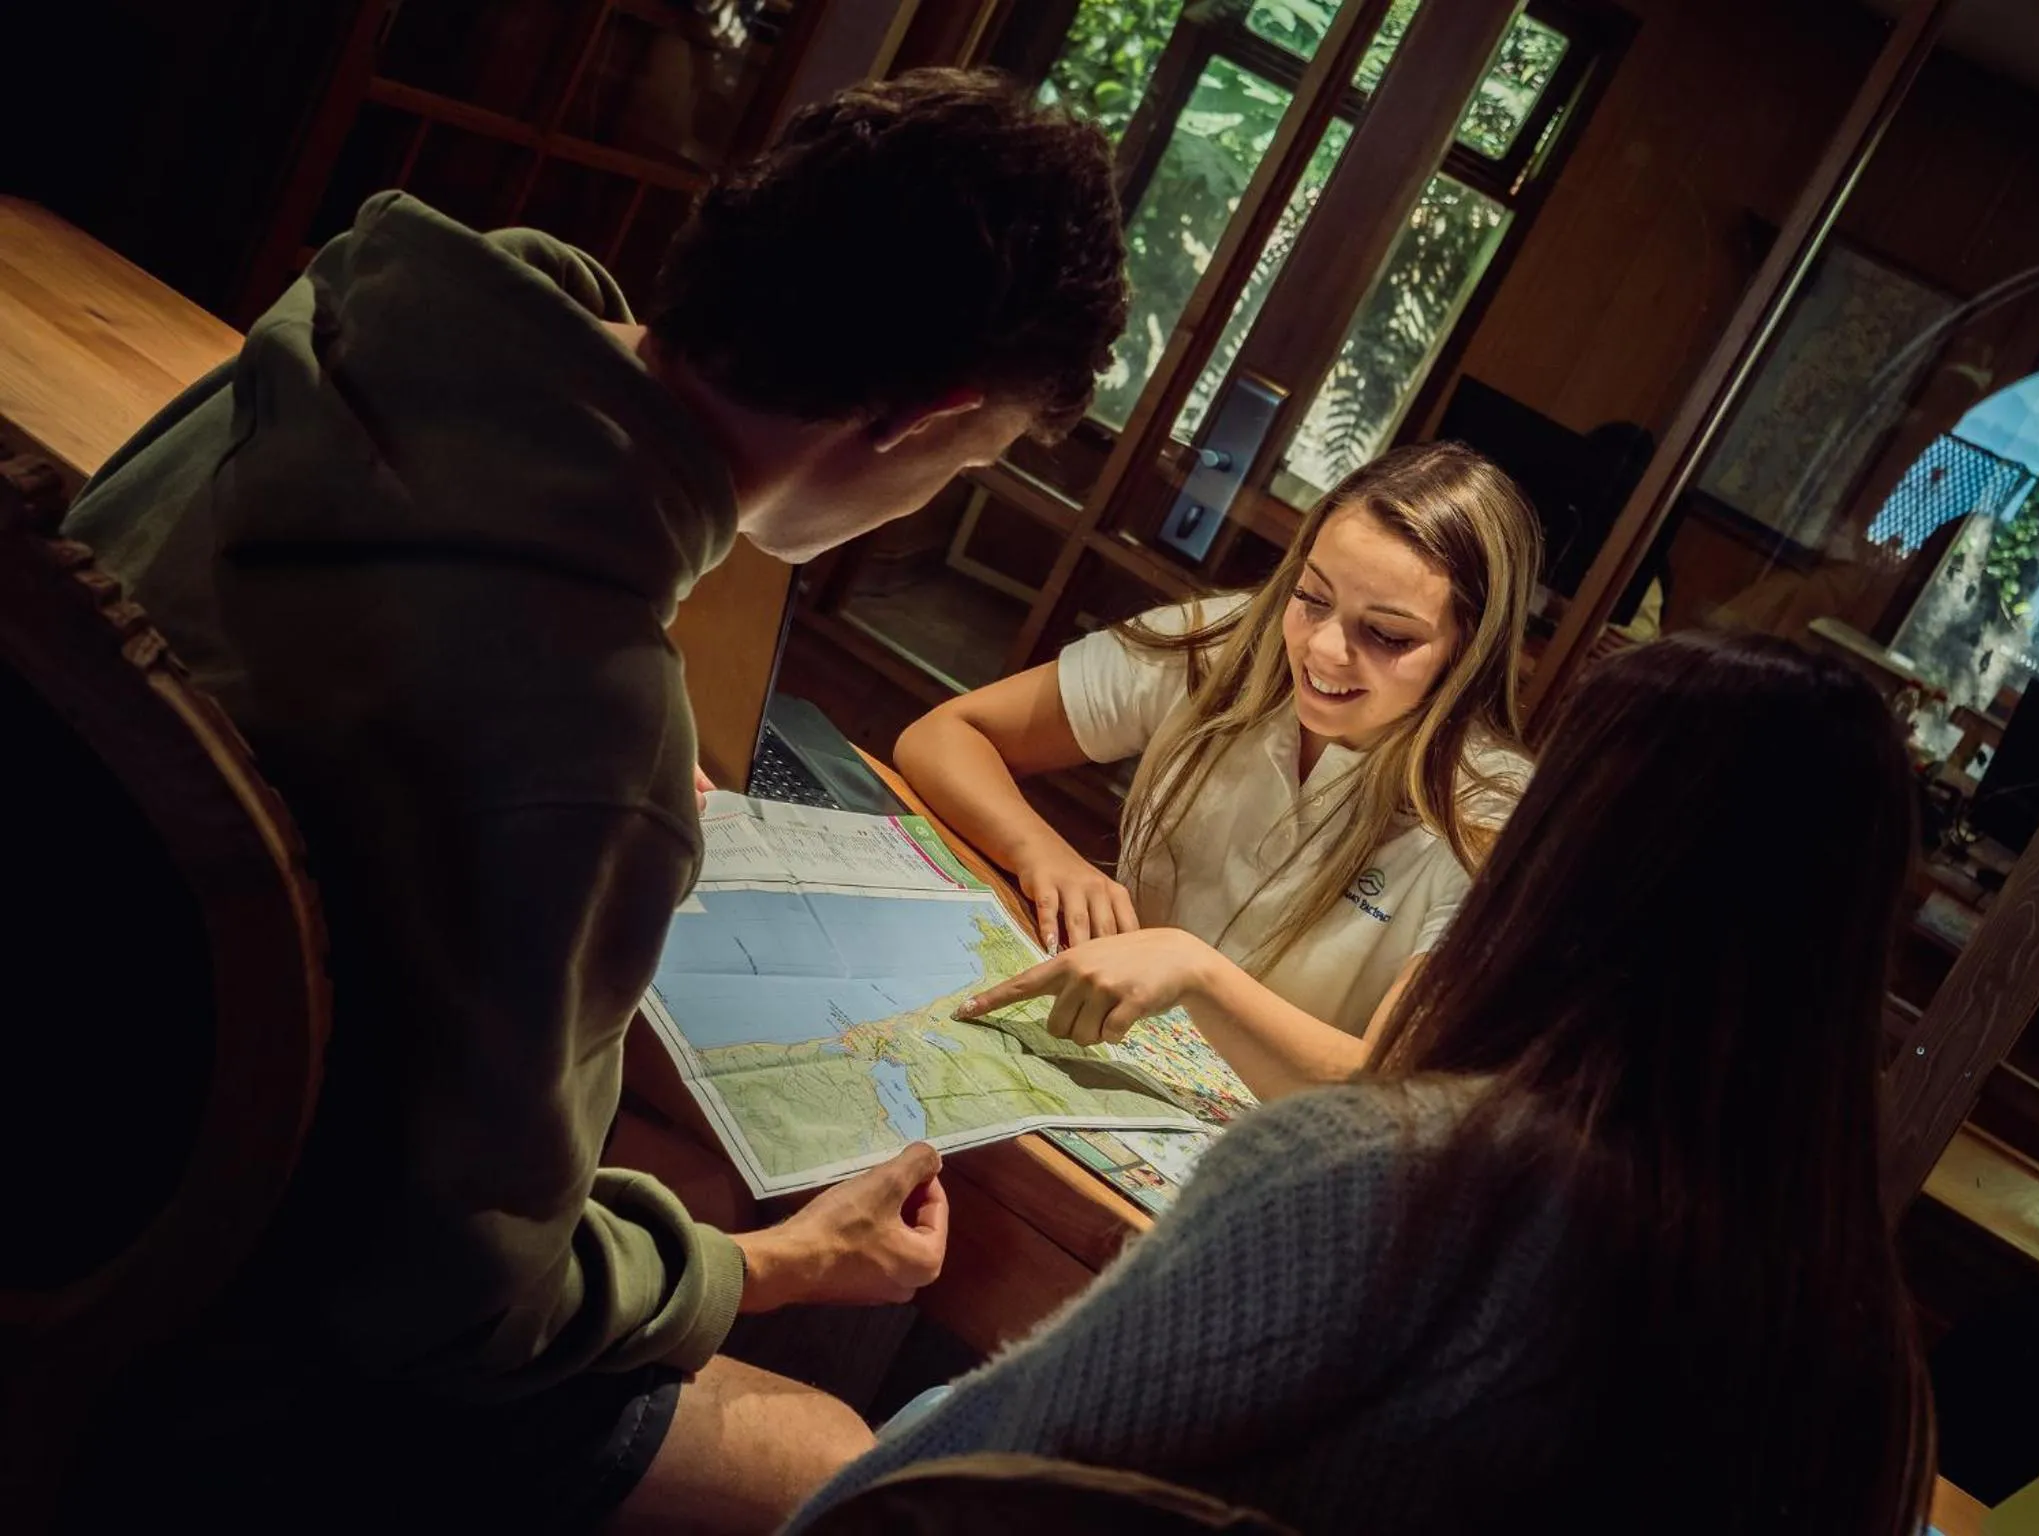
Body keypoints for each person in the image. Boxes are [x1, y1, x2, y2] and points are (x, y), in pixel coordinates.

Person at [57, 69, 1127, 1533]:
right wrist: (794, 1266)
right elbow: (455, 1316)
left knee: (679, 1171)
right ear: (920, 416)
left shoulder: (351, 335)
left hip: (63, 1050)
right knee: (827, 1451)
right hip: (166, 1304)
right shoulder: (592, 731)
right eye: (974, 460)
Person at [794, 631, 1936, 1536]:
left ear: (1562, 851)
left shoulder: (1388, 1182)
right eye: (1311, 600)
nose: (1328, 651)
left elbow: (965, 1468)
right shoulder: (1865, 1354)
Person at [897, 442, 1540, 1097]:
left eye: (1388, 636)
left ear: (1470, 651)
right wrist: (1042, 852)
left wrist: (1196, 973)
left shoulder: (1493, 816)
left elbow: (1391, 1086)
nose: (1323, 648)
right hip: (1098, 1058)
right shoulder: (1222, 645)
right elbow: (943, 735)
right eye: (1312, 597)